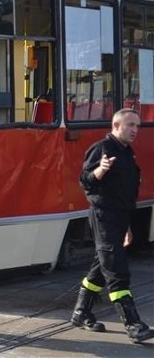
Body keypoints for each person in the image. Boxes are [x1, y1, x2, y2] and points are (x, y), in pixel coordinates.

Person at [71, 108, 152, 343]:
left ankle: (81, 312)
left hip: (119, 218)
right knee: (116, 269)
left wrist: (126, 226)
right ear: (116, 126)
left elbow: (125, 194)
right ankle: (134, 325)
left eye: (137, 125)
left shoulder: (127, 153)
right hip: (103, 216)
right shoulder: (102, 149)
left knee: (101, 266)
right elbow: (84, 181)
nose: (135, 130)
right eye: (130, 125)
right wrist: (100, 170)